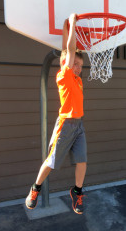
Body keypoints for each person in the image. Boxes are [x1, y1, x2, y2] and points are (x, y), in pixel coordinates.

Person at [25, 13, 87, 214]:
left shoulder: (77, 80)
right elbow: (68, 51)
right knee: (51, 162)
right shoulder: (64, 76)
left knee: (82, 161)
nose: (78, 68)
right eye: (75, 64)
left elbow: (66, 50)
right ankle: (35, 189)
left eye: (80, 65)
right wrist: (74, 25)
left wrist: (65, 29)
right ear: (66, 63)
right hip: (66, 125)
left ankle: (76, 192)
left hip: (78, 125)